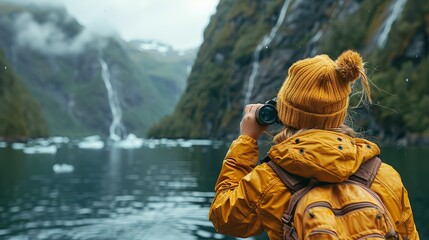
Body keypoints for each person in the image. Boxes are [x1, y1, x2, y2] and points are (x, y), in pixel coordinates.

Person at [208, 50, 419, 239]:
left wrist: (246, 140)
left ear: (284, 113)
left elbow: (223, 217)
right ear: (340, 113)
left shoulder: (268, 180)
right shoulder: (385, 177)